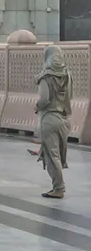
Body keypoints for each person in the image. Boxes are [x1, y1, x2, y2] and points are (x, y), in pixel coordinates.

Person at [36, 44, 72, 200]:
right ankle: (58, 187)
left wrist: (37, 106)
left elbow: (44, 99)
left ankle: (58, 188)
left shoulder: (46, 77)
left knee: (52, 155)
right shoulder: (67, 75)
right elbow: (69, 97)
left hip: (49, 118)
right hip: (64, 119)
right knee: (58, 154)